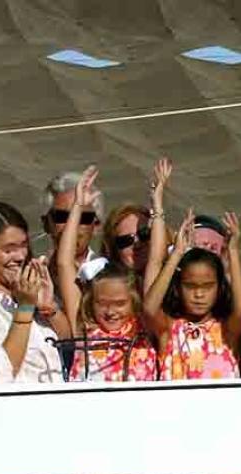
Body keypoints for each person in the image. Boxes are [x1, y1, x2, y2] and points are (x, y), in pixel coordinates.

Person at [58, 167, 158, 382]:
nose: (111, 312)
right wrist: (78, 207)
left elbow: (155, 261)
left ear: (134, 302)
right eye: (102, 303)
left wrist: (157, 208)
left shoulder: (144, 323)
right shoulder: (86, 327)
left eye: (120, 303)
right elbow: (64, 263)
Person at [0, 202, 70, 383]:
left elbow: (69, 347)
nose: (20, 256)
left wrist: (49, 308)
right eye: (8, 250)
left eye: (24, 245)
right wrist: (25, 308)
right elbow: (1, 373)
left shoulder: (31, 285)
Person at [144, 209, 241, 380]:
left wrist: (233, 252)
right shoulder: (169, 330)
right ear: (178, 287)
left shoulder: (226, 330)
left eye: (208, 286)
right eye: (190, 286)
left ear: (219, 288)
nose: (199, 294)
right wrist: (177, 253)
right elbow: (149, 309)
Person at [100, 158, 172, 287]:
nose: (137, 244)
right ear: (113, 250)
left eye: (144, 234)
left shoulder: (180, 277)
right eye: (125, 240)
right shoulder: (107, 287)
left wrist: (157, 205)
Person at [42, 171, 103, 268]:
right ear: (46, 224)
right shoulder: (33, 272)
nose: (72, 226)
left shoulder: (108, 273)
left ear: (96, 225)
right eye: (62, 216)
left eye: (82, 218)